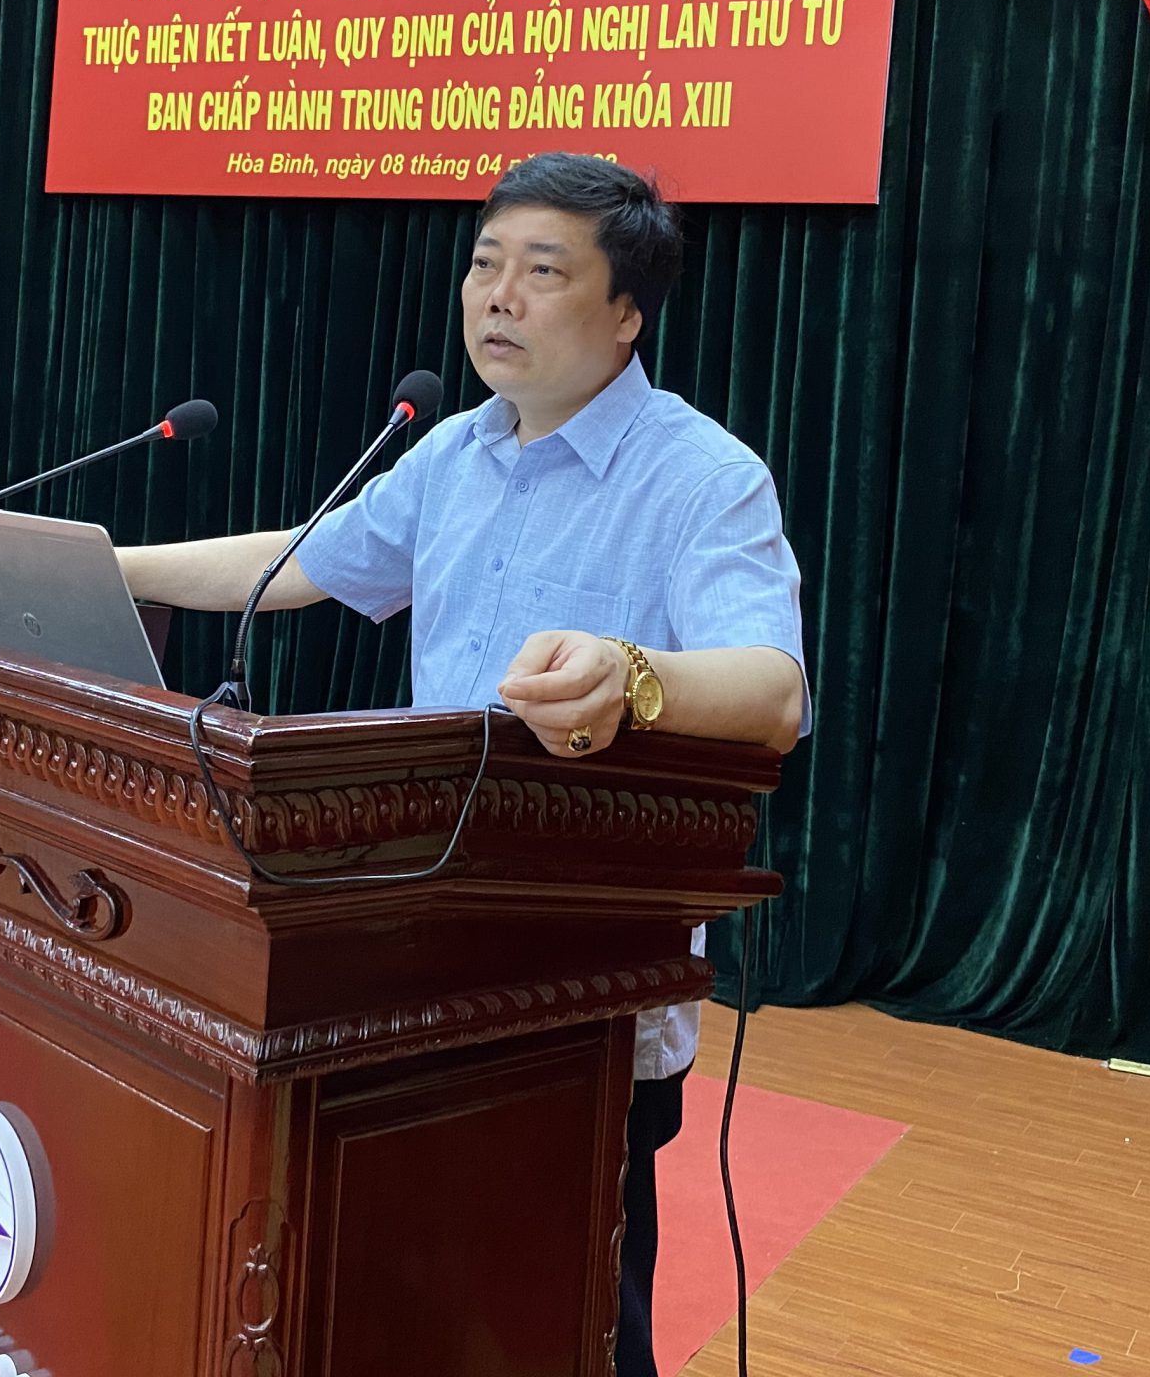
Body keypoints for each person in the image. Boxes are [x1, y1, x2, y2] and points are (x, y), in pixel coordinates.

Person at [118, 151, 808, 1376]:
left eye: (542, 271)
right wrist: (107, 564)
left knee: (574, 1318)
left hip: (581, 979)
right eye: (485, 264)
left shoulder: (703, 478)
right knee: (421, 1300)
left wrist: (634, 674)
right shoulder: (451, 453)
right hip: (414, 945)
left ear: (626, 313)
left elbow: (775, 692)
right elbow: (298, 563)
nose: (497, 295)